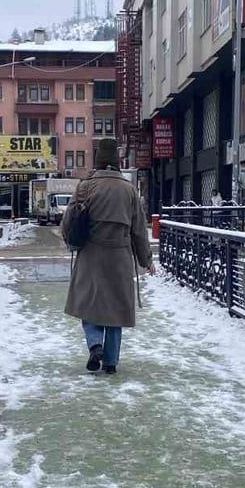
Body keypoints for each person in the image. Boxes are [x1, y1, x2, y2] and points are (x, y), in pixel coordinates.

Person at [62, 138, 154, 375]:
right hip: (119, 257)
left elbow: (68, 222)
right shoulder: (129, 190)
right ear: (117, 162)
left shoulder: (85, 187)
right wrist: (146, 260)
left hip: (91, 255)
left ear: (98, 160)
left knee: (89, 305)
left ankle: (95, 346)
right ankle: (111, 363)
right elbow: (139, 230)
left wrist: (71, 240)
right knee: (116, 311)